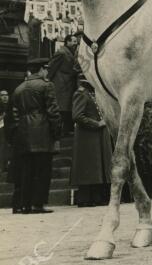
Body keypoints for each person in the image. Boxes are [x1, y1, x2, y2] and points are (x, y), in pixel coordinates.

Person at [10, 58, 61, 213]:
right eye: (45, 68)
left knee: (26, 171)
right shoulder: (47, 85)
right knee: (43, 170)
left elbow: (13, 114)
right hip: (42, 132)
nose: (47, 71)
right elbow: (53, 111)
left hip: (24, 133)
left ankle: (24, 204)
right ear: (41, 69)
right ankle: (37, 204)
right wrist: (56, 131)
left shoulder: (19, 88)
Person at [70, 74, 113, 207]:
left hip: (94, 136)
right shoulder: (81, 93)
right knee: (90, 168)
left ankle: (96, 197)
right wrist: (96, 124)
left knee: (96, 168)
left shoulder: (90, 93)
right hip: (87, 136)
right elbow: (77, 116)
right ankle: (86, 199)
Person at [47, 34, 79, 137]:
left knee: (67, 107)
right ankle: (59, 130)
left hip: (69, 84)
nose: (76, 43)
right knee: (61, 107)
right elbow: (51, 67)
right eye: (74, 41)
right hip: (61, 84)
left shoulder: (72, 53)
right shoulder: (61, 52)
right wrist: (47, 80)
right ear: (67, 42)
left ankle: (65, 130)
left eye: (76, 41)